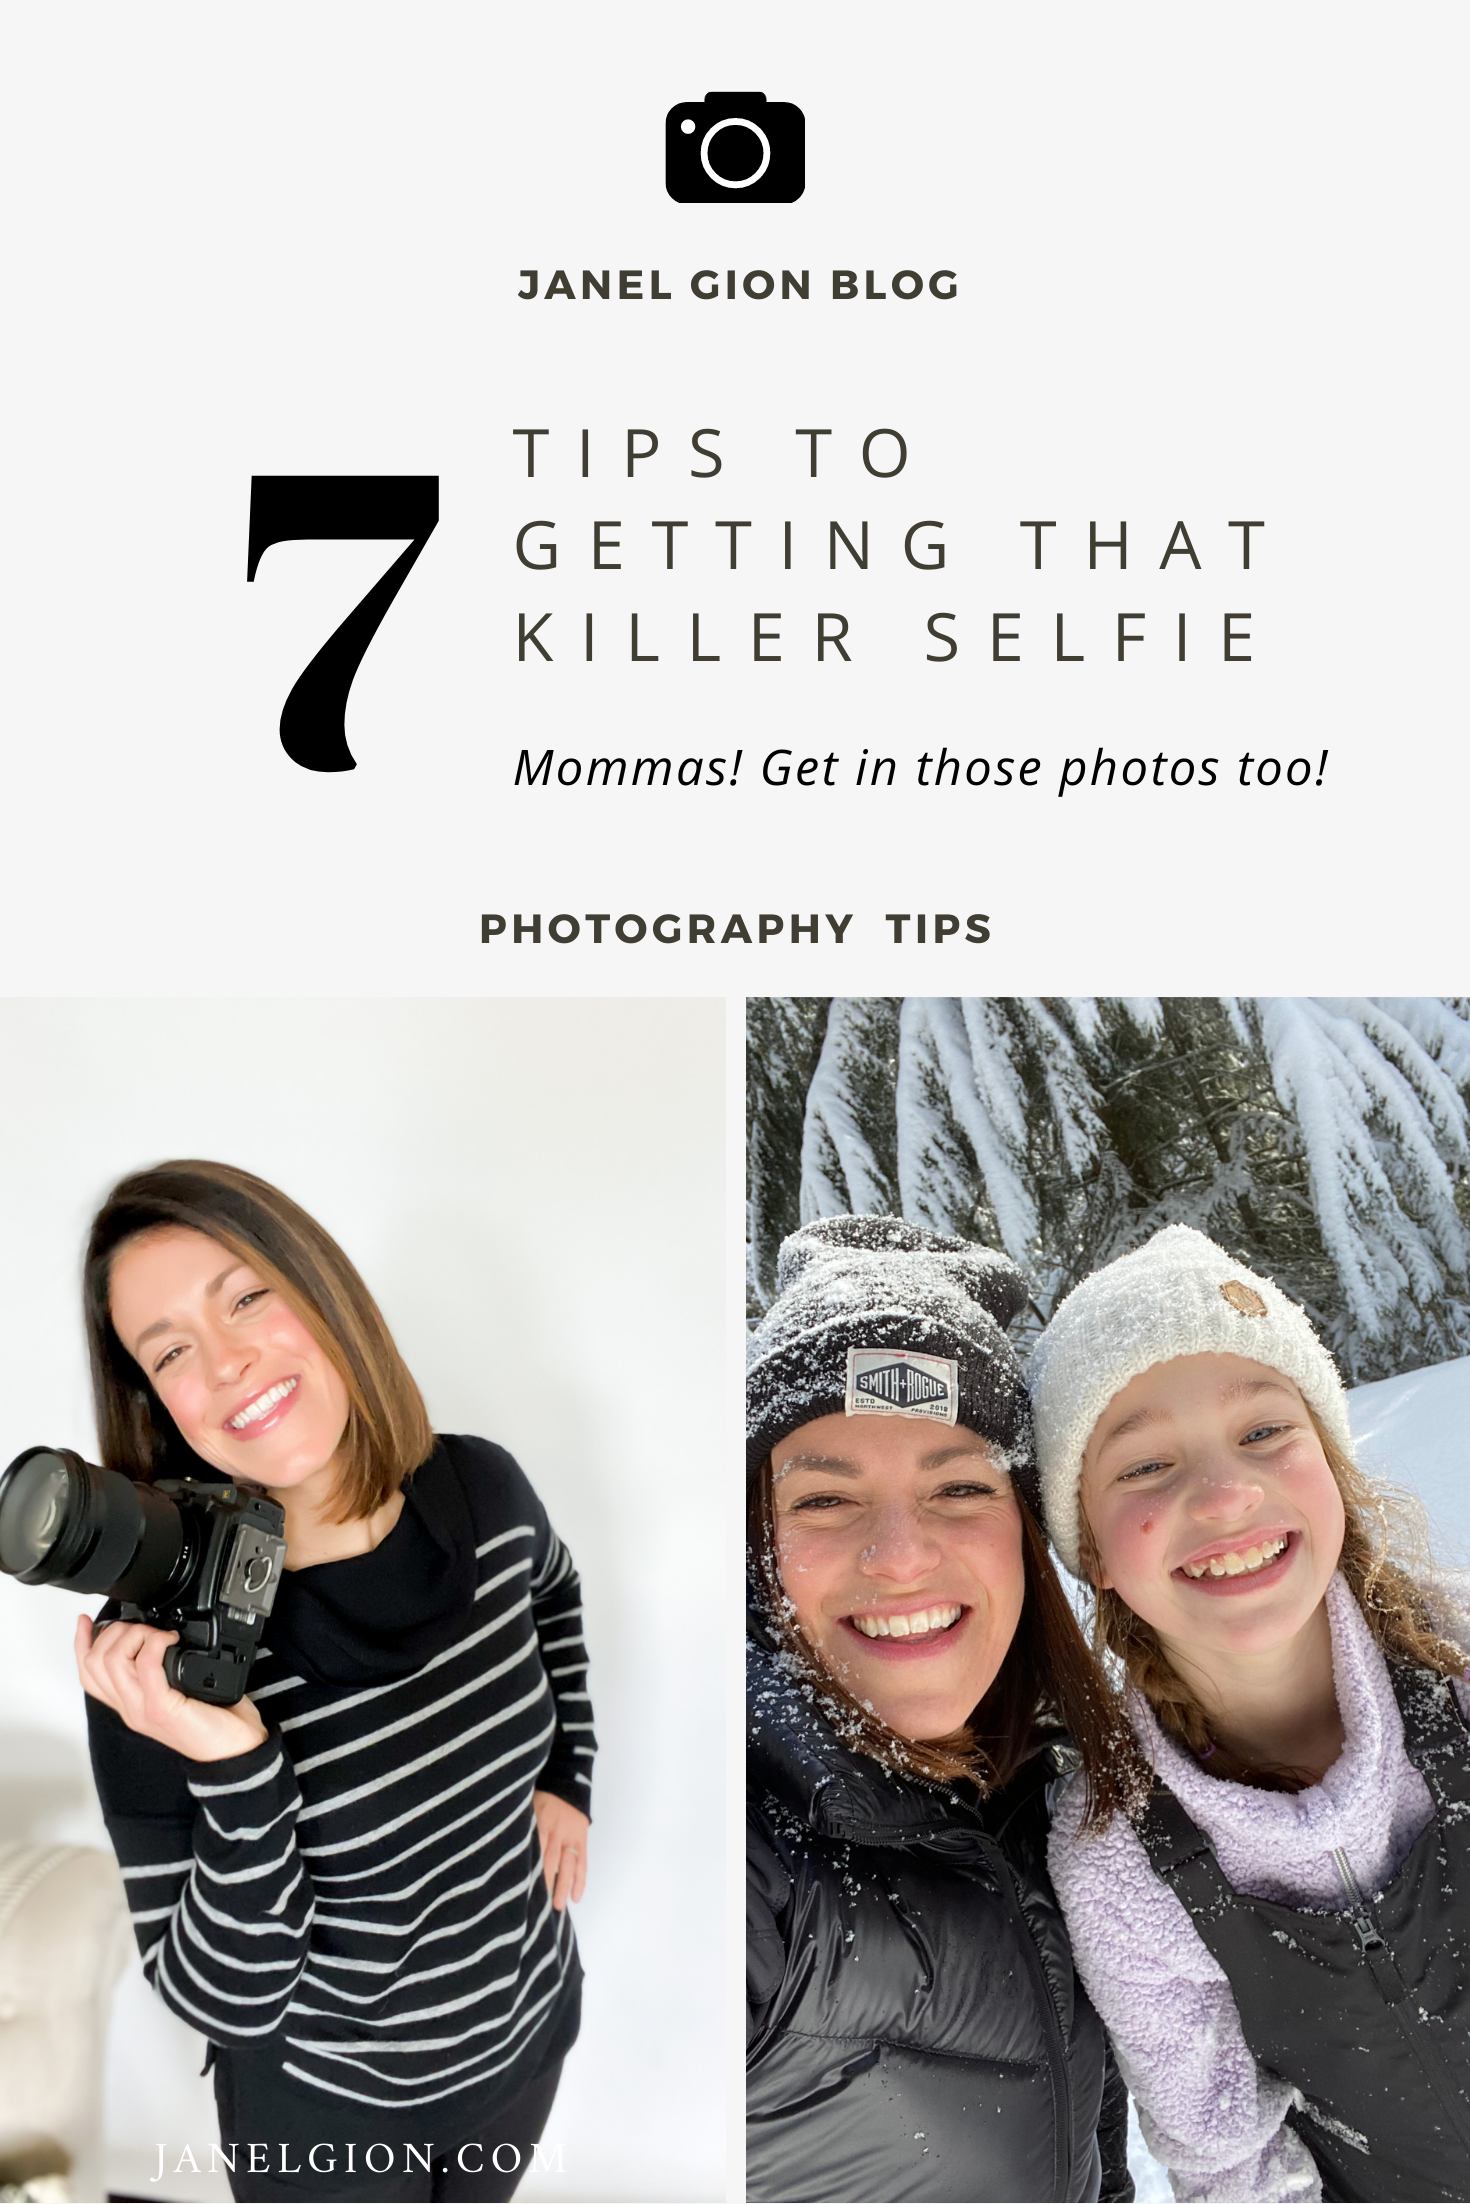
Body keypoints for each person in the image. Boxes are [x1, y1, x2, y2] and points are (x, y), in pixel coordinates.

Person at [73, 1160, 594, 2204]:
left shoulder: (483, 1491)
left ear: (322, 1290)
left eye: (248, 1295)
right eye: (171, 1350)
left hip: (523, 2040)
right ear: (157, 1400)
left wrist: (567, 1776)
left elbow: (556, 1596)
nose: (224, 1363)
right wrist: (240, 1770)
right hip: (326, 2118)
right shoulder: (163, 1648)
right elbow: (220, 1994)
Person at [1031, 1223, 1470, 2204]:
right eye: (1144, 1465)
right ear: (1093, 1550)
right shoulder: (1117, 1857)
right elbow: (1232, 2161)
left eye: (1266, 1430)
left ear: (1332, 1463)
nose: (1226, 1493)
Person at [746, 1213, 1141, 2204]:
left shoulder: (1048, 1812)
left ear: (1023, 1531)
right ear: (755, 1545)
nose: (901, 1554)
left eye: (959, 1485)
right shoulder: (738, 1846)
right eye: (826, 1500)